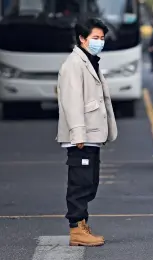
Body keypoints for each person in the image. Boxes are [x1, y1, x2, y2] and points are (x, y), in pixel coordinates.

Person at [56, 17, 118, 247]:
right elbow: (71, 101)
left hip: (92, 135)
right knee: (80, 184)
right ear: (82, 39)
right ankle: (77, 230)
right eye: (95, 38)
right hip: (82, 136)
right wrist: (78, 134)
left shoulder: (89, 61)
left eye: (101, 38)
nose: (99, 42)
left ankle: (82, 225)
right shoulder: (74, 65)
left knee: (89, 182)